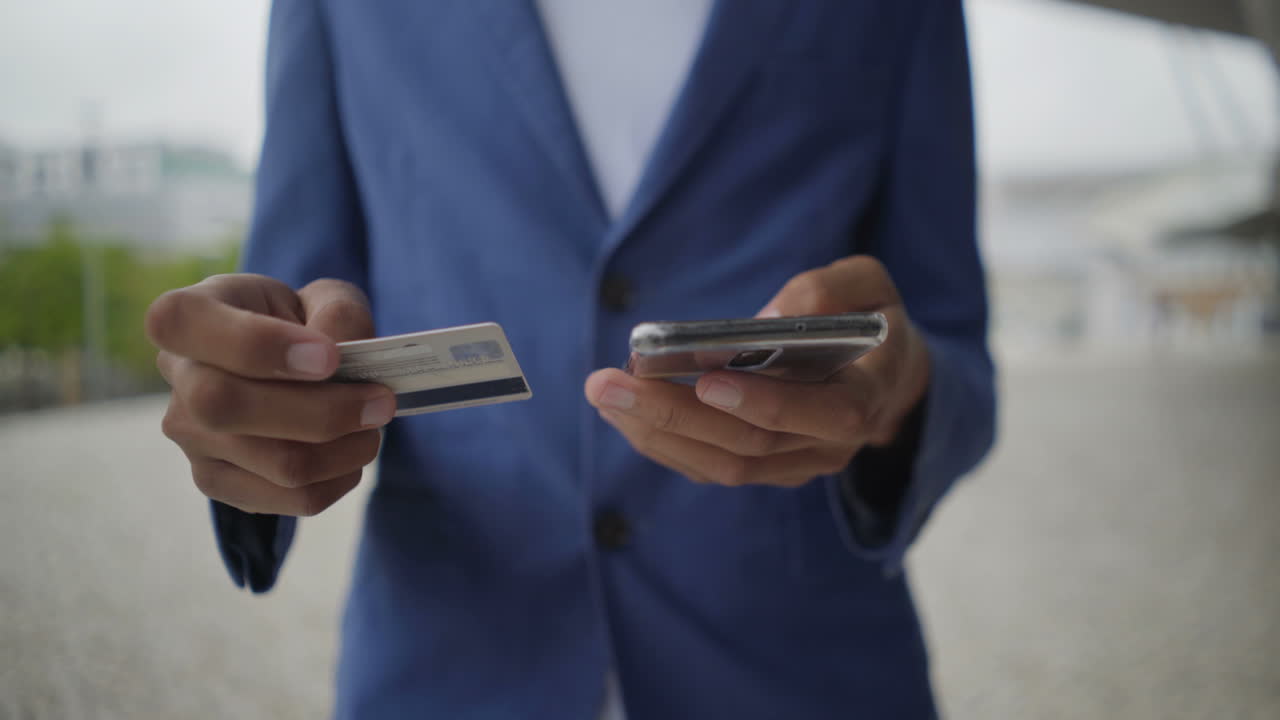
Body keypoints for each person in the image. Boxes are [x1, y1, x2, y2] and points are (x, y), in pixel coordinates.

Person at [144, 0, 996, 717]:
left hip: (806, 672)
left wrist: (898, 386)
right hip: (450, 667)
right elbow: (292, 300)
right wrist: (254, 397)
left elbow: (953, 347)